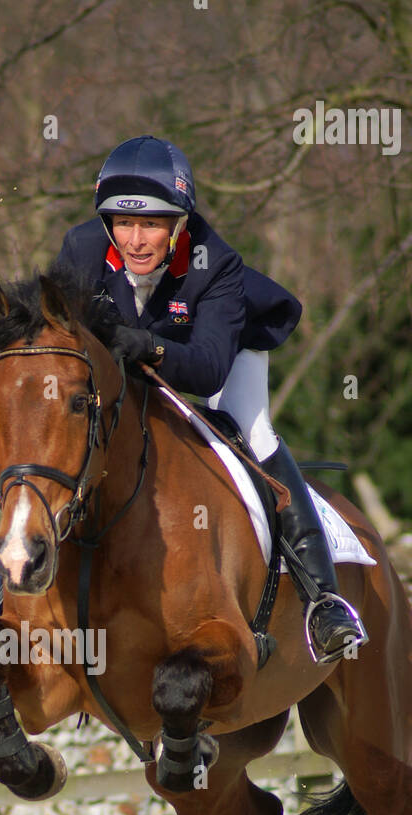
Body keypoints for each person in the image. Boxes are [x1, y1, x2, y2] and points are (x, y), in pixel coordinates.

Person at [51, 134, 367, 664]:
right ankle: (0, 601)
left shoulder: (214, 262)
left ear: (179, 223)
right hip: (129, 366)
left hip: (223, 353)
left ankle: (324, 599)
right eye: (123, 223)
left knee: (254, 430)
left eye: (151, 223)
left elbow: (207, 366)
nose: (134, 239)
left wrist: (148, 345)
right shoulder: (81, 249)